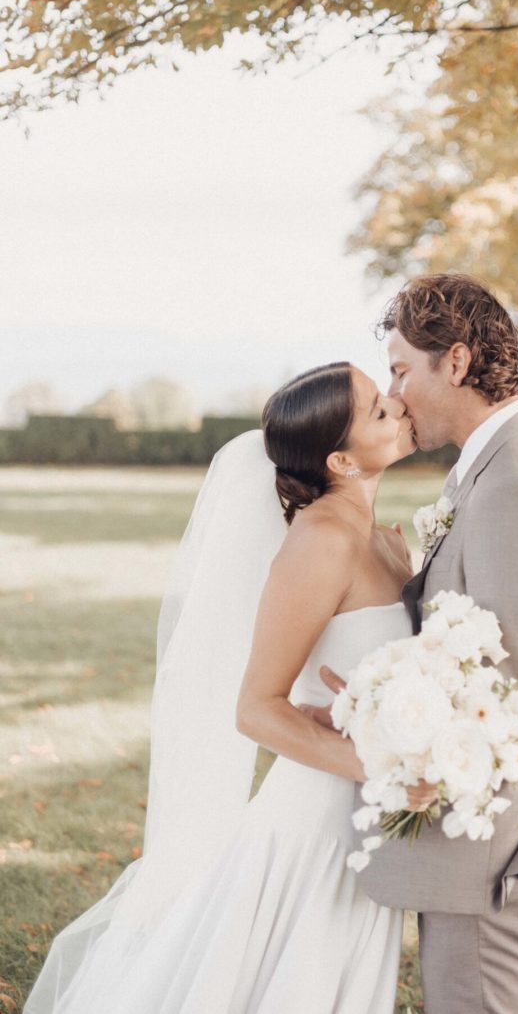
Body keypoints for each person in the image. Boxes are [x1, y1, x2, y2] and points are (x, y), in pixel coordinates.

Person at [24, 361, 418, 1014]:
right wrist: (380, 766)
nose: (399, 406)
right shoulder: (322, 539)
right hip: (310, 831)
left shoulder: (384, 542)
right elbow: (256, 709)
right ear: (342, 460)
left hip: (364, 825)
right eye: (379, 409)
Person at [321, 274, 518, 1014]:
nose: (395, 391)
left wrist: (378, 722)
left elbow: (516, 692)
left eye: (401, 369)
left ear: (455, 361)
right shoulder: (503, 458)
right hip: (489, 837)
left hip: (497, 848)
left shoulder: (517, 481)